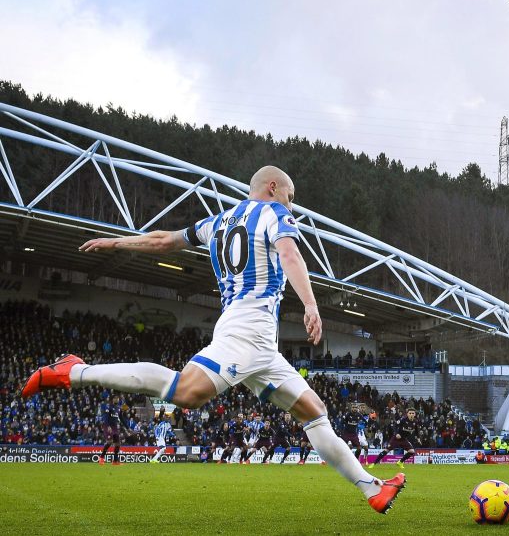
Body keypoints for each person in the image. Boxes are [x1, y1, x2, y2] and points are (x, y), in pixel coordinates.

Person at [21, 166, 404, 514]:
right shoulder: (274, 213)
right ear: (272, 188)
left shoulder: (218, 222)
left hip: (259, 343)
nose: (292, 203)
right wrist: (310, 304)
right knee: (187, 392)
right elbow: (289, 253)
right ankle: (77, 371)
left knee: (314, 411)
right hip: (247, 331)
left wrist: (117, 242)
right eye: (290, 194)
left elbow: (162, 241)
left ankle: (372, 488)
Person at [98, 396, 124, 465]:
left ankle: (115, 461)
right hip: (107, 426)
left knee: (118, 444)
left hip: (115, 427)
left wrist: (128, 428)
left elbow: (122, 419)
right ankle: (101, 458)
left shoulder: (118, 408)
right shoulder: (108, 406)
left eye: (118, 399)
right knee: (110, 442)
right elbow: (105, 417)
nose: (117, 399)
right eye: (116, 398)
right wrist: (108, 426)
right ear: (113, 399)